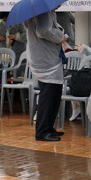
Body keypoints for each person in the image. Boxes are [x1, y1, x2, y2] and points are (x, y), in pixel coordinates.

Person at [23, 9, 66, 142]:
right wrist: (61, 37)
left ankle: (48, 127)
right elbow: (43, 31)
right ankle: (42, 131)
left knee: (54, 95)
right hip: (46, 60)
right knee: (48, 97)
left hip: (47, 58)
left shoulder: (41, 12)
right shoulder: (43, 12)